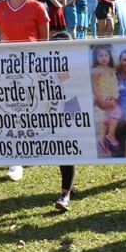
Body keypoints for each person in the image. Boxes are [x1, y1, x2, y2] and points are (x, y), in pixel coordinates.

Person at [0, 0, 50, 182]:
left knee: (31, 112)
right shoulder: (0, 8)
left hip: (32, 67)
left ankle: (31, 148)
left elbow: (43, 42)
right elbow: (1, 35)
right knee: (11, 112)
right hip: (7, 68)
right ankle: (14, 161)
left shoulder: (37, 7)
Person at [48, 31, 78, 212]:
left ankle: (65, 194)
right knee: (62, 151)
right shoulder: (45, 68)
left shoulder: (77, 65)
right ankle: (70, 187)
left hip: (72, 112)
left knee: (66, 150)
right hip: (53, 114)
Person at [91, 45, 122, 153]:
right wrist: (99, 99)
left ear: (110, 56)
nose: (103, 58)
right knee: (117, 113)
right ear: (95, 58)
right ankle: (110, 135)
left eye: (106, 55)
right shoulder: (96, 70)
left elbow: (120, 64)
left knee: (107, 119)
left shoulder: (112, 68)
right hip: (105, 97)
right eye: (100, 56)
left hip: (113, 96)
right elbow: (94, 86)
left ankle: (102, 137)